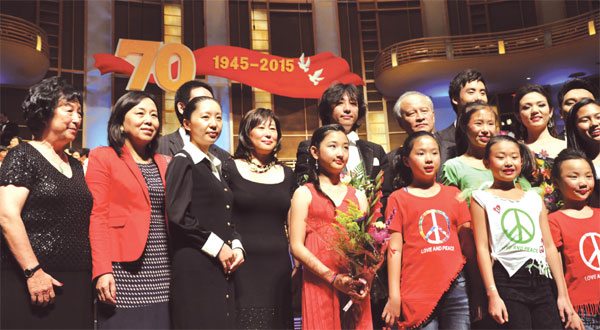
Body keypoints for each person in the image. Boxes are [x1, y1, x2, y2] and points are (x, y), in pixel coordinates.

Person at [0, 76, 93, 328]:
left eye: (80, 112)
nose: (77, 118)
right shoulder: (23, 155)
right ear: (44, 112)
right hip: (32, 280)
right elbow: (7, 215)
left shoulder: (74, 164)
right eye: (69, 110)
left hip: (77, 280)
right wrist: (33, 272)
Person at [470, 135, 582, 329]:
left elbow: (549, 246)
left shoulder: (533, 197)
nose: (508, 162)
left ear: (522, 161)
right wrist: (492, 293)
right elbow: (482, 248)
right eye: (500, 157)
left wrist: (563, 296)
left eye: (514, 157)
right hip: (506, 278)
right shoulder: (481, 198)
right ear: (486, 162)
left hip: (541, 278)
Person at [86, 91, 171, 329]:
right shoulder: (104, 157)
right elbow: (97, 216)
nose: (149, 120)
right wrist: (102, 270)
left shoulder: (165, 162)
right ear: (121, 122)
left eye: (154, 115)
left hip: (163, 268)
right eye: (140, 113)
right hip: (122, 269)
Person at [382, 131, 474, 330]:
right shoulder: (398, 198)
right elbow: (394, 251)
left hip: (456, 285)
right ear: (406, 160)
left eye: (434, 152)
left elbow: (468, 246)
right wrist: (394, 296)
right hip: (417, 289)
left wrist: (478, 291)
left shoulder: (454, 194)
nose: (429, 159)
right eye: (421, 153)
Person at [166, 96, 244, 329]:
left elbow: (227, 215)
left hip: (221, 265)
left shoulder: (215, 164)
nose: (214, 124)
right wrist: (218, 246)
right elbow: (177, 216)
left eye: (218, 118)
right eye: (205, 117)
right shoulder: (183, 161)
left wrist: (237, 245)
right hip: (195, 265)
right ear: (187, 124)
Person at [289, 124, 371, 330]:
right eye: (333, 146)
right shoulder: (304, 193)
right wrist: (332, 278)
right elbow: (296, 246)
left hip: (353, 284)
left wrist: (365, 280)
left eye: (345, 147)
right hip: (319, 281)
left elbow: (368, 246)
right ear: (315, 152)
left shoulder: (358, 196)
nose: (340, 153)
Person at [222, 108, 294, 329]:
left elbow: (292, 222)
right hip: (241, 262)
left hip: (279, 264)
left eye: (273, 129)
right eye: (261, 127)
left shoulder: (288, 174)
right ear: (247, 133)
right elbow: (223, 216)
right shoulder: (229, 168)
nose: (268, 133)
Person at [294, 83, 387, 185]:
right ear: (327, 110)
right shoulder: (309, 147)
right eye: (339, 103)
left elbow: (385, 192)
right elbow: (301, 186)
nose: (347, 109)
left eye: (353, 103)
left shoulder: (376, 150)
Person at [548, 149, 598, 330]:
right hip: (583, 312)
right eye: (574, 177)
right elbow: (557, 269)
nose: (583, 182)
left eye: (588, 176)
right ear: (556, 183)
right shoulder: (554, 220)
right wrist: (569, 309)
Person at [156, 80, 230, 161]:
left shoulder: (224, 157)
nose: (213, 124)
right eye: (199, 101)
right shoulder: (159, 147)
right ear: (181, 107)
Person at [385, 91, 436, 192]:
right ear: (400, 122)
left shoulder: (451, 149)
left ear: (433, 115)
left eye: (424, 111)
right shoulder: (390, 160)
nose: (420, 118)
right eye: (412, 113)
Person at [437, 69, 488, 168]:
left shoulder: (494, 139)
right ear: (455, 99)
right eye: (471, 92)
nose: (479, 98)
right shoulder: (440, 141)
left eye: (482, 92)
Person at [565, 98, 600, 207]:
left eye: (598, 117)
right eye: (585, 120)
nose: (594, 123)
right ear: (574, 127)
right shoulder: (573, 163)